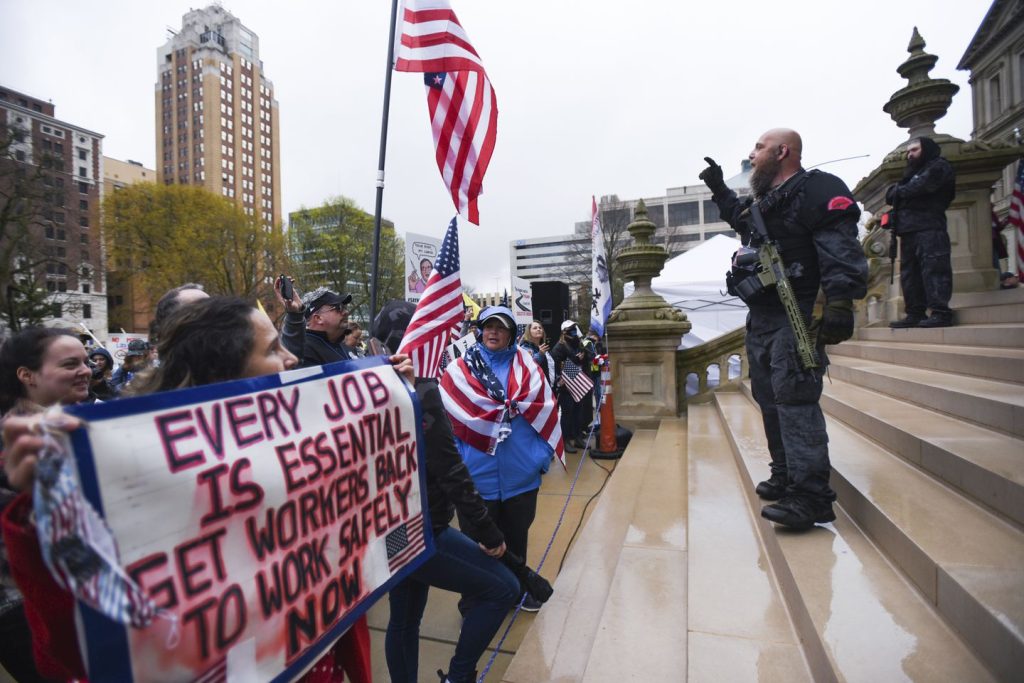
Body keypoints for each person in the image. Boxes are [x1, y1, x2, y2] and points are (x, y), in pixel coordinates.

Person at [1, 297, 404, 682]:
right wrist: (46, 515)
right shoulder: (139, 484)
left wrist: (393, 395)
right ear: (223, 373)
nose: (291, 358)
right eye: (272, 348)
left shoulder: (295, 453)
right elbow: (78, 650)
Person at [700, 128, 867, 530]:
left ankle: (811, 496)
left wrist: (841, 302)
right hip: (763, 317)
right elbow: (741, 221)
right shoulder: (767, 204)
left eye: (759, 148)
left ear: (783, 151)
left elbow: (840, 250)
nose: (752, 154)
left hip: (799, 313)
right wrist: (720, 188)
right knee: (770, 398)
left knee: (795, 400)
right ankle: (786, 473)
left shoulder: (817, 190)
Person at [370, 303, 520, 683]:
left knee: (404, 619)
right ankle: (459, 675)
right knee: (503, 589)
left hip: (390, 528)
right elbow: (452, 471)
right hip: (422, 529)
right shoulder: (421, 392)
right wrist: (489, 535)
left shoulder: (369, 393)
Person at [439, 306, 561, 613]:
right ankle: (475, 600)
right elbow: (445, 426)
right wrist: (460, 467)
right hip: (475, 481)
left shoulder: (530, 369)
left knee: (516, 540)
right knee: (476, 549)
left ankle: (518, 591)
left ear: (511, 333)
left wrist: (539, 460)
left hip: (521, 479)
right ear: (480, 330)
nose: (493, 331)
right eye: (488, 326)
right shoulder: (457, 371)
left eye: (501, 327)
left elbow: (548, 412)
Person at [0, 327, 93, 682]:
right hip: (25, 608)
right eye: (70, 364)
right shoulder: (15, 443)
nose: (85, 370)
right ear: (27, 375)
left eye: (85, 360)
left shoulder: (84, 426)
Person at [885, 136, 956, 328]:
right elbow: (890, 195)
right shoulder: (912, 173)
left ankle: (940, 312)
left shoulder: (938, 166)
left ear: (926, 149)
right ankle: (915, 313)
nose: (910, 155)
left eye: (914, 150)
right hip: (908, 231)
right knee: (910, 275)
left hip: (930, 228)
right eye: (908, 151)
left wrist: (900, 191)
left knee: (934, 269)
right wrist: (900, 191)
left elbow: (917, 188)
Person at [277, 280, 356, 366]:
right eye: (338, 308)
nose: (346, 312)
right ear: (318, 318)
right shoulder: (303, 350)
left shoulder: (344, 346)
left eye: (344, 307)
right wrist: (294, 315)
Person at [550, 320, 594, 454]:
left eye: (574, 328)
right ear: (564, 332)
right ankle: (565, 440)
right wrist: (559, 378)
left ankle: (577, 436)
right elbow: (556, 365)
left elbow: (589, 356)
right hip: (566, 385)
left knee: (578, 411)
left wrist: (584, 356)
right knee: (567, 413)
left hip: (579, 382)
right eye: (570, 329)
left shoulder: (578, 343)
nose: (573, 331)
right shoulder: (559, 347)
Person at [518, 320, 554, 386]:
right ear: (529, 332)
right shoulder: (524, 347)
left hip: (546, 384)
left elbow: (550, 366)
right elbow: (529, 365)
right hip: (535, 386)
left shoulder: (542, 346)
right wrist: (540, 354)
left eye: (540, 328)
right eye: (535, 328)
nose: (538, 329)